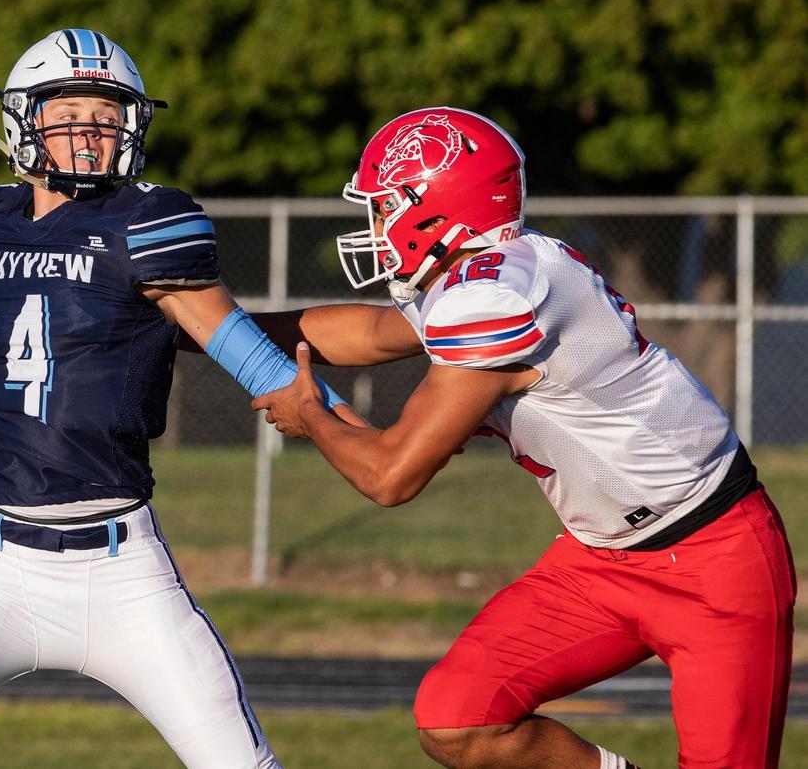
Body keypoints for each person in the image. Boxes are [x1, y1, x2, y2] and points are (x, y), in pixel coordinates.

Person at [0, 28, 358, 768]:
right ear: (26, 120)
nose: (89, 130)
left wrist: (357, 432)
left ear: (132, 129)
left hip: (122, 568)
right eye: (68, 110)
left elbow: (241, 347)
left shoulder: (147, 223)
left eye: (107, 116)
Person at [251, 107, 796, 768]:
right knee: (458, 718)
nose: (375, 226)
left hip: (714, 553)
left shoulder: (499, 295)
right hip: (601, 558)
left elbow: (389, 475)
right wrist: (210, 324)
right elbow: (366, 334)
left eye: (384, 206)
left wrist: (311, 415)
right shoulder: (486, 271)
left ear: (432, 207)